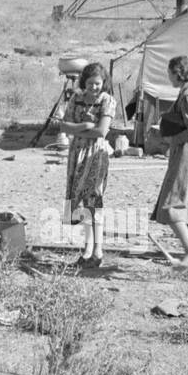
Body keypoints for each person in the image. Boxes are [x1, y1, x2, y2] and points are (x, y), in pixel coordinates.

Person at [151, 55, 188, 267]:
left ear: (178, 73)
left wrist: (173, 139)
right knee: (184, 206)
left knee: (172, 206)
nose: (169, 78)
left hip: (186, 152)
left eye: (170, 74)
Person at [57, 61, 115, 268]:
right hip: (77, 153)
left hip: (95, 155)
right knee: (80, 202)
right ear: (84, 82)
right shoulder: (77, 97)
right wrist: (85, 125)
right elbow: (64, 125)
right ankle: (87, 249)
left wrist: (77, 129)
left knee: (94, 200)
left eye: (98, 83)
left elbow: (102, 131)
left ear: (103, 83)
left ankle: (97, 251)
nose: (94, 87)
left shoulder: (107, 100)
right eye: (90, 83)